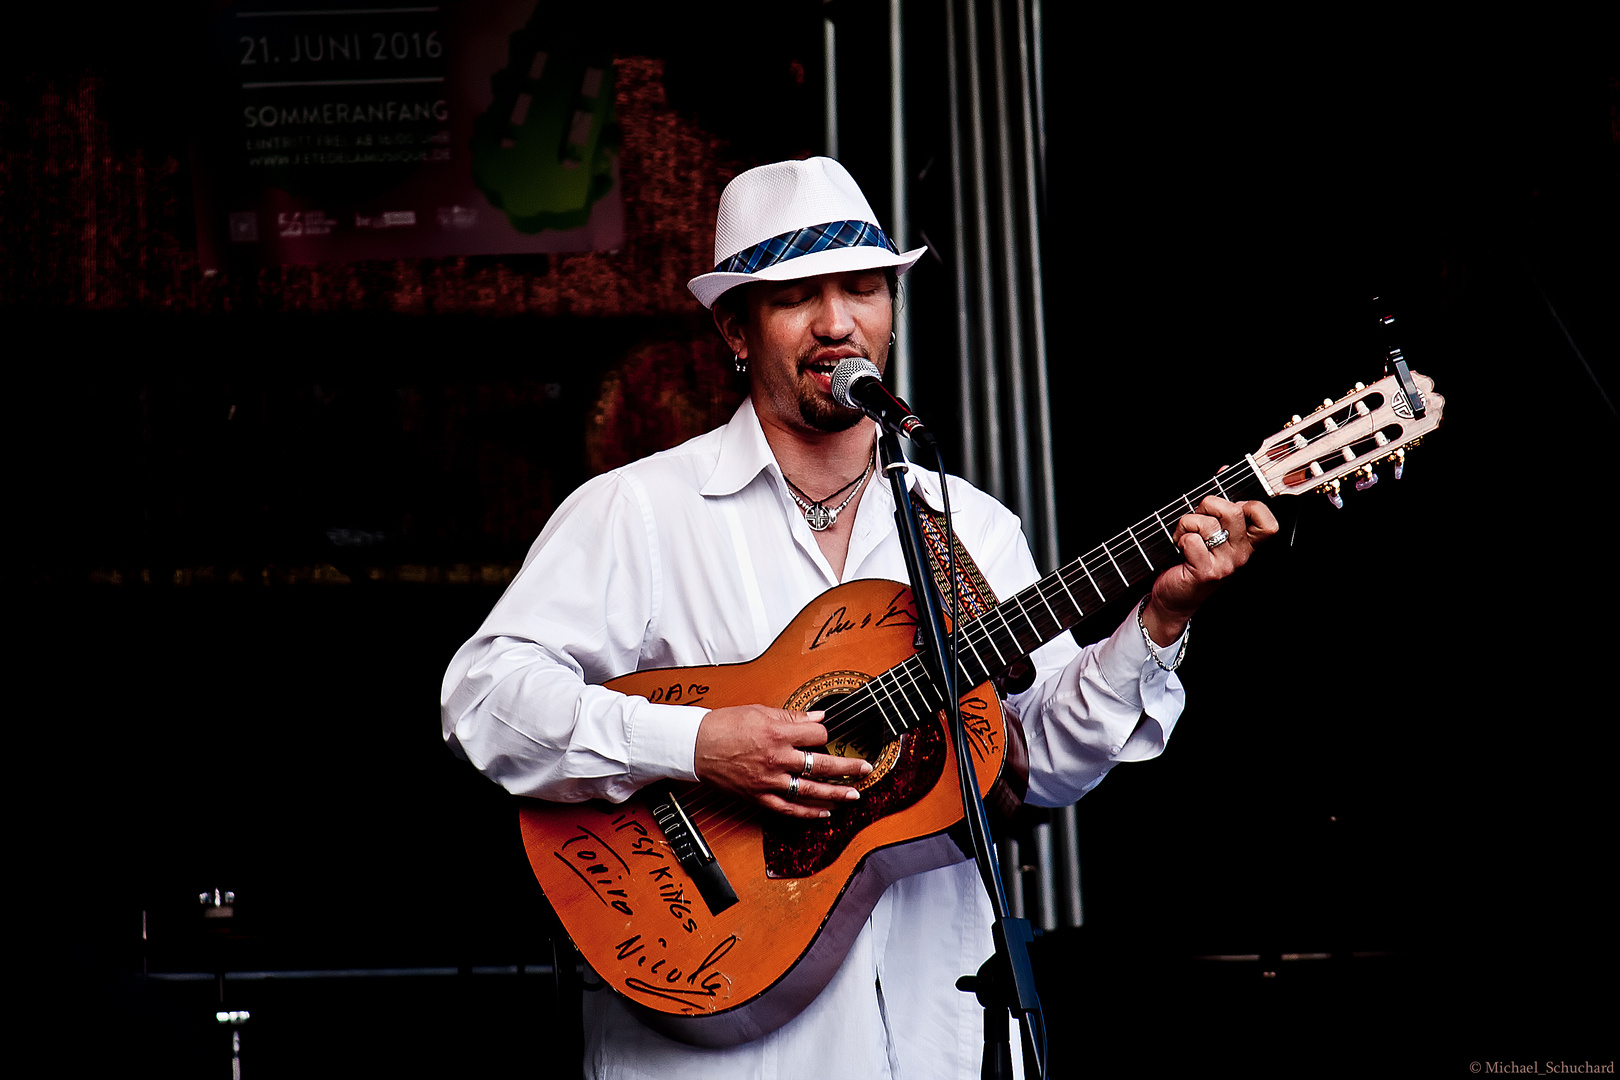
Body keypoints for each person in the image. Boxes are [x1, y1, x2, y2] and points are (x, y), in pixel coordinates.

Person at [441, 156, 1277, 1078]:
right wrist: (696, 745)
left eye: (865, 289)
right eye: (798, 294)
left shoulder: (967, 528)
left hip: (923, 1040)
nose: (840, 323)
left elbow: (1036, 763)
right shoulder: (638, 512)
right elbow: (485, 700)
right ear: (734, 327)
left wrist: (1155, 624)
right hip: (706, 1043)